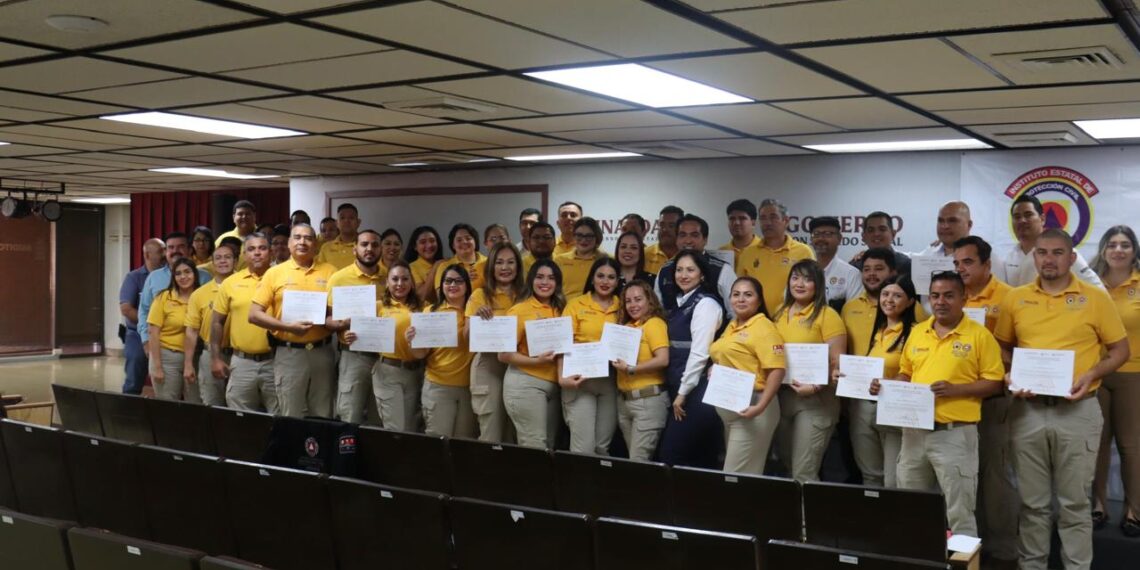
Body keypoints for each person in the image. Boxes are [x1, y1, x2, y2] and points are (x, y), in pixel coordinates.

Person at [995, 229, 1129, 570]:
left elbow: (1120, 350)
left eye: (1057, 253)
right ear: (1034, 257)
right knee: (1032, 505)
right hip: (1027, 411)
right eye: (1042, 252)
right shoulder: (1015, 298)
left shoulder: (1095, 298)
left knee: (1074, 505)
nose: (1049, 259)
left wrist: (1091, 374)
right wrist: (1009, 375)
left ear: (1071, 258)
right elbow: (1002, 348)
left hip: (1078, 411)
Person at [873, 271, 1004, 537]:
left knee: (960, 514)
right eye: (935, 296)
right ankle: (918, 558)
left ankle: (964, 559)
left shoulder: (979, 336)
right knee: (912, 509)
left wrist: (957, 390)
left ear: (963, 299)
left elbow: (995, 383)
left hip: (954, 434)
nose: (940, 302)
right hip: (914, 433)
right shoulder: (918, 332)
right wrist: (889, 387)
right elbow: (906, 372)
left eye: (948, 296)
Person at [952, 235, 1019, 562]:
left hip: (993, 399)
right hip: (954, 399)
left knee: (994, 475)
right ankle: (966, 547)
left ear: (987, 264)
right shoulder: (951, 295)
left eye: (968, 262)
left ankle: (1002, 550)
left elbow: (1020, 350)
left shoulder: (1009, 297)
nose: (961, 269)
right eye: (956, 263)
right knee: (962, 476)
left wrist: (988, 346)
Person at [249, 223, 338, 418]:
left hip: (322, 352)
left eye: (308, 238)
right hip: (289, 354)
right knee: (290, 414)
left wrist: (333, 320)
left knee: (323, 414)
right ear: (289, 243)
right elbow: (254, 314)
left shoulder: (330, 271)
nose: (302, 242)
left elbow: (336, 311)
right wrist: (287, 327)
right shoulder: (274, 273)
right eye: (297, 237)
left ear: (316, 244)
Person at [772, 260, 846, 482]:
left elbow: (837, 363)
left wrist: (815, 386)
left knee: (804, 472)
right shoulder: (780, 312)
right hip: (783, 398)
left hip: (816, 401)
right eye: (795, 278)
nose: (800, 284)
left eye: (807, 279)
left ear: (818, 284)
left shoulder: (827, 315)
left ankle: (810, 507)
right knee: (787, 466)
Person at [839, 275, 914, 488]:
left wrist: (891, 383)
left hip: (894, 410)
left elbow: (916, 373)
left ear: (910, 301)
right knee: (870, 475)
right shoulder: (879, 330)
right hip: (864, 407)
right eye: (885, 294)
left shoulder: (916, 333)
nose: (889, 300)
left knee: (893, 480)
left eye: (897, 295)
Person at [1090, 225, 1140, 536]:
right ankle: (1098, 505)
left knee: (1131, 446)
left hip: (1133, 374)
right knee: (1096, 444)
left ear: (1134, 251)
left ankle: (1134, 509)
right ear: (1103, 250)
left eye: (1125, 245)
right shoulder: (1091, 283)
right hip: (1095, 373)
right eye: (1112, 245)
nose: (1118, 250)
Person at [710, 277, 785, 474]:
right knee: (743, 475)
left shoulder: (764, 327)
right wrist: (716, 367)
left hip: (754, 408)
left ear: (759, 301)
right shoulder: (733, 324)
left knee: (735, 475)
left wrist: (760, 406)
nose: (741, 299)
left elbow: (777, 370)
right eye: (736, 294)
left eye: (748, 295)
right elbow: (729, 356)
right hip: (730, 408)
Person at [658, 250, 724, 468]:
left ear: (702, 274)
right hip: (681, 387)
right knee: (698, 457)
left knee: (671, 454)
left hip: (697, 391)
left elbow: (699, 354)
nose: (683, 275)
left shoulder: (706, 304)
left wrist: (682, 393)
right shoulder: (679, 302)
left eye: (690, 270)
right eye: (679, 270)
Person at [499, 259, 567, 449]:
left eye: (551, 278)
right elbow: (503, 354)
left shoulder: (561, 309)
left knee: (550, 446)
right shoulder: (519, 310)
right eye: (540, 277)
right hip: (525, 384)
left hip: (554, 386)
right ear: (531, 280)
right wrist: (537, 361)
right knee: (534, 446)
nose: (545, 282)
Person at [560, 257, 622, 455]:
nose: (605, 281)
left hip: (610, 381)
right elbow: (562, 344)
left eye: (611, 277)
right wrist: (561, 377)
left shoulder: (623, 306)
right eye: (600, 276)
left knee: (602, 447)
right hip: (580, 381)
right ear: (592, 278)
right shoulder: (575, 304)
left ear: (617, 281)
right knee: (583, 449)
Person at [407, 264, 477, 438]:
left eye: (458, 281)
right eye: (448, 281)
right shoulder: (430, 312)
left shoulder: (474, 313)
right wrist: (412, 341)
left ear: (467, 285)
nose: (453, 285)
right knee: (438, 442)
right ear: (441, 285)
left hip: (469, 388)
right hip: (438, 386)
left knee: (464, 443)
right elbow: (421, 354)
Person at [324, 230, 386, 424]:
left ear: (381, 249)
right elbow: (327, 319)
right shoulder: (339, 278)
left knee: (380, 419)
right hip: (353, 356)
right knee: (350, 415)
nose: (369, 249)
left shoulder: (390, 277)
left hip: (385, 357)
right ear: (355, 249)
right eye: (364, 244)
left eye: (375, 245)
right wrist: (344, 324)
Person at [212, 233, 277, 413]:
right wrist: (215, 358)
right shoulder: (231, 283)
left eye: (262, 248)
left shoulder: (282, 278)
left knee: (279, 417)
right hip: (241, 362)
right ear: (243, 255)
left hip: (276, 360)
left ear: (271, 252)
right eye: (251, 249)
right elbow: (217, 322)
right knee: (240, 417)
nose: (257, 253)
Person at [466, 242, 525, 442]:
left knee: (514, 433)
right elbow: (466, 337)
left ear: (518, 266)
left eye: (510, 262)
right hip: (489, 365)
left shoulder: (526, 295)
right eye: (499, 262)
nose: (505, 267)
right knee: (491, 431)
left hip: (519, 366)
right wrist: (476, 318)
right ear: (491, 266)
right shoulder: (480, 295)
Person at [613, 279, 670, 461]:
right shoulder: (626, 328)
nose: (633, 305)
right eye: (628, 301)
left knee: (638, 461)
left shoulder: (654, 323)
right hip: (625, 402)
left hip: (648, 400)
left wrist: (631, 369)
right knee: (635, 462)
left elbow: (663, 359)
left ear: (649, 301)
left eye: (638, 299)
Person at [995, 194, 1103, 288]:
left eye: (1028, 215)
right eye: (1017, 217)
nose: (1022, 220)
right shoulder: (1008, 257)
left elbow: (1097, 288)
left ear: (1042, 219)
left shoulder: (1062, 253)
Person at [366, 261, 424, 432]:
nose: (400, 284)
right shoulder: (378, 306)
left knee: (412, 429)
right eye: (395, 279)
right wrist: (352, 335)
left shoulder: (423, 307)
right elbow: (363, 332)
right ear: (387, 282)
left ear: (412, 282)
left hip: (416, 372)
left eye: (405, 279)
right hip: (388, 372)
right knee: (395, 429)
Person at [738, 198, 817, 315]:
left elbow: (813, 289)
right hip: (756, 320)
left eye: (773, 217)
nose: (767, 223)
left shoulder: (803, 252)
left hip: (792, 319)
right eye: (763, 218)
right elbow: (739, 290)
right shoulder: (748, 253)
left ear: (786, 220)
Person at [182, 242, 237, 406]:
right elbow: (191, 331)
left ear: (236, 261)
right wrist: (188, 364)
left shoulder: (246, 287)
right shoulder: (199, 294)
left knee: (239, 406)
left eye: (227, 257)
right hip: (210, 354)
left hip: (240, 355)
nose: (223, 261)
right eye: (218, 258)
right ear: (212, 263)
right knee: (212, 404)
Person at [138, 232, 211, 350]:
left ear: (189, 250)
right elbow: (144, 310)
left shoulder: (205, 277)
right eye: (171, 247)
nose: (175, 251)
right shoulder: (154, 277)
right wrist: (146, 340)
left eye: (181, 246)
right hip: (163, 347)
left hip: (198, 346)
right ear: (165, 252)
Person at [655, 214, 735, 314]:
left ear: (705, 239)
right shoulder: (665, 270)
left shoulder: (722, 270)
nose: (688, 241)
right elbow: (657, 311)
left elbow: (735, 312)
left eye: (694, 235)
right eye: (682, 235)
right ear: (676, 239)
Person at [146, 258, 201, 401]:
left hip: (196, 358)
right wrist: (157, 367)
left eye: (187, 272)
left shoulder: (201, 297)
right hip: (167, 358)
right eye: (178, 273)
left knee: (195, 403)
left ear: (195, 274)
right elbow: (153, 332)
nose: (183, 277)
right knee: (168, 405)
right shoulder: (164, 297)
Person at [119, 238, 165, 395]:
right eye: (160, 251)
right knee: (136, 367)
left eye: (165, 250)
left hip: (166, 333)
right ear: (147, 255)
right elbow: (126, 309)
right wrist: (151, 324)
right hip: (137, 334)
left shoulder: (170, 275)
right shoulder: (134, 277)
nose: (164, 255)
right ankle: (129, 403)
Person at [810, 216, 863, 312]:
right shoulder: (802, 271)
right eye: (816, 234)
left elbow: (855, 313)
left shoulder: (851, 274)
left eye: (827, 234)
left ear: (839, 238)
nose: (821, 238)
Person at [555, 217, 608, 301]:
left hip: (596, 307)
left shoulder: (606, 260)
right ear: (573, 236)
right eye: (579, 235)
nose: (583, 240)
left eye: (589, 236)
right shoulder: (559, 260)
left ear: (597, 238)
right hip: (565, 307)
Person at [852, 211, 912, 275]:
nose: (876, 234)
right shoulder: (855, 266)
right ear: (863, 237)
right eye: (871, 230)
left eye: (882, 229)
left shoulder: (906, 264)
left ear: (893, 234)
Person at [436, 223, 487, 293]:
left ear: (475, 241)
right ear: (453, 245)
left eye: (468, 238)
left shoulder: (489, 263)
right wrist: (461, 280)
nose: (464, 242)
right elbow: (440, 295)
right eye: (459, 240)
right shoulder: (444, 266)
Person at [719, 199, 760, 272]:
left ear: (753, 223)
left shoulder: (765, 249)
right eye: (732, 219)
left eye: (742, 218)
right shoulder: (721, 253)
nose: (736, 223)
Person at [405, 225, 445, 301]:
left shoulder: (445, 264)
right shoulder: (411, 267)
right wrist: (435, 266)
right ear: (415, 247)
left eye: (432, 241)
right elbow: (422, 296)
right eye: (423, 242)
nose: (429, 245)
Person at [316, 203, 360, 269]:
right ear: (337, 223)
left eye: (351, 218)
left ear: (358, 222)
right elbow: (320, 271)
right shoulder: (326, 248)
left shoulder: (366, 246)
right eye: (342, 218)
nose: (346, 221)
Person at [644, 205, 683, 275]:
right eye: (662, 225)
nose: (665, 229)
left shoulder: (688, 256)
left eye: (671, 226)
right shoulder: (644, 254)